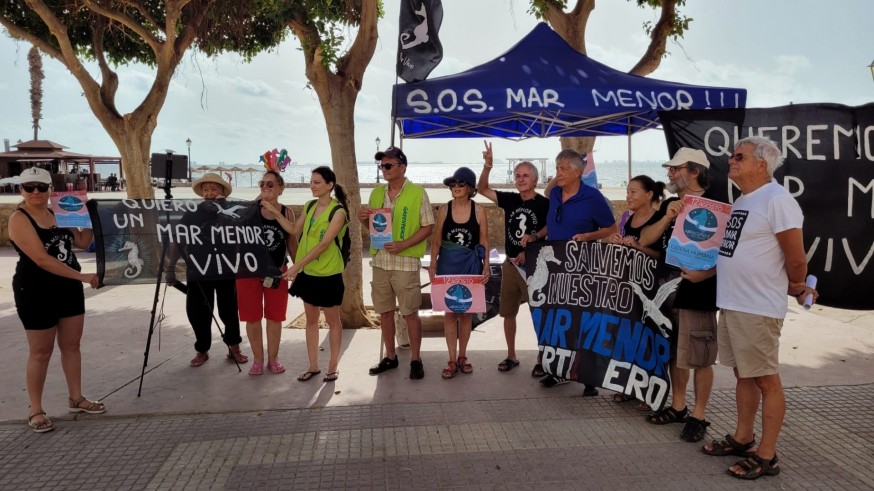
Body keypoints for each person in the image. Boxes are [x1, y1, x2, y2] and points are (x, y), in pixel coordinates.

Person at [703, 136, 816, 480]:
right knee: (744, 374)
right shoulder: (743, 200)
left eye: (739, 156)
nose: (731, 161)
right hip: (734, 303)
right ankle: (742, 437)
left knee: (766, 380)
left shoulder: (778, 200)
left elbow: (796, 258)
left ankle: (767, 456)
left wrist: (797, 286)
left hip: (757, 307)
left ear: (762, 165)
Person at [9, 167, 105, 433]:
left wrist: (92, 217)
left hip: (68, 287)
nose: (36, 192)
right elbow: (41, 259)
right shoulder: (19, 218)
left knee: (72, 345)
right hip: (36, 290)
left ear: (50, 189)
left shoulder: (59, 212)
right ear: (22, 191)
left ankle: (76, 398)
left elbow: (84, 241)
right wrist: (83, 276)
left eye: (41, 186)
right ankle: (36, 409)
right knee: (40, 351)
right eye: (30, 187)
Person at [638, 147, 719, 443]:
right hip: (666, 291)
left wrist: (705, 275)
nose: (669, 173)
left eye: (675, 168)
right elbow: (645, 239)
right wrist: (667, 217)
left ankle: (699, 415)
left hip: (699, 292)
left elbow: (727, 254)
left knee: (700, 356)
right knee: (675, 354)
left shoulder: (716, 207)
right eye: (669, 169)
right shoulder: (671, 203)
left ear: (694, 171)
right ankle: (678, 405)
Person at [532, 149, 617, 395]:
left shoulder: (593, 198)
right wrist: (537, 235)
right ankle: (556, 371)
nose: (557, 173)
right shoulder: (556, 193)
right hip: (556, 270)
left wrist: (589, 236)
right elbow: (553, 221)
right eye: (556, 168)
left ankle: (589, 379)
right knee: (556, 321)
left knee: (583, 323)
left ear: (579, 173)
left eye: (563, 169)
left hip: (583, 271)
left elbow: (610, 227)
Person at [358, 146, 435, 380]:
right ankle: (390, 357)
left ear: (402, 167)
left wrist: (403, 245)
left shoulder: (418, 193)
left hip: (405, 264)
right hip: (380, 262)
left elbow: (428, 226)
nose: (384, 170)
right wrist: (364, 221)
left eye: (388, 165)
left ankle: (415, 359)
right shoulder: (376, 194)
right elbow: (375, 230)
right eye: (381, 166)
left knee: (410, 313)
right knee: (385, 313)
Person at [476, 141, 549, 374]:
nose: (520, 179)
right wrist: (488, 166)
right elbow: (482, 189)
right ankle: (511, 356)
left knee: (540, 314)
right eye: (517, 175)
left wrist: (534, 239)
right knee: (508, 312)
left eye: (526, 176)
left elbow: (552, 227)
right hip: (510, 266)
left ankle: (541, 359)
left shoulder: (545, 204)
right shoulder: (510, 199)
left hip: (535, 267)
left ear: (535, 180)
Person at [168, 173, 248, 368]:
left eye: (214, 189)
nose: (210, 194)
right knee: (198, 312)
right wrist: (170, 267)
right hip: (198, 270)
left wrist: (224, 209)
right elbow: (179, 240)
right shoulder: (192, 214)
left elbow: (244, 232)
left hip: (226, 269)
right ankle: (202, 350)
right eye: (206, 190)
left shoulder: (231, 213)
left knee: (229, 310)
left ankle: (234, 348)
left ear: (222, 192)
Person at [285, 166, 348, 383]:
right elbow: (294, 230)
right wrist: (275, 211)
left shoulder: (338, 211)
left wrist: (295, 266)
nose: (312, 185)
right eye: (311, 182)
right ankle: (313, 366)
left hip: (328, 274)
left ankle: (333, 366)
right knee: (311, 320)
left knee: (333, 321)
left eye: (317, 182)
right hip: (308, 273)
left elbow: (323, 245)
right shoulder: (310, 205)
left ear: (330, 185)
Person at [429, 167, 490, 379]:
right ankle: (451, 359)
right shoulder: (444, 210)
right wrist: (432, 265)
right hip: (447, 264)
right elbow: (436, 240)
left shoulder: (479, 210)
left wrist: (486, 265)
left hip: (470, 264)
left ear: (471, 188)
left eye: (461, 184)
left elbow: (484, 240)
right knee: (450, 312)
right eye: (453, 184)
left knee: (466, 313)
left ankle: (463, 356)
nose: (456, 187)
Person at [239, 170, 296, 376]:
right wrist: (256, 204)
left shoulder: (287, 212)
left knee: (274, 317)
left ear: (281, 188)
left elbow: (292, 241)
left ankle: (273, 358)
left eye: (271, 184)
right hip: (248, 271)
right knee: (252, 317)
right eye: (262, 183)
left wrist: (297, 268)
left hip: (277, 271)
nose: (265, 186)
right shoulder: (249, 210)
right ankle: (257, 360)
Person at [609, 175, 666, 259]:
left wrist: (639, 247)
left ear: (649, 195)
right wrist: (614, 240)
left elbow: (664, 257)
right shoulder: (627, 218)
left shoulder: (661, 220)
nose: (628, 196)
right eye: (627, 192)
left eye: (633, 192)